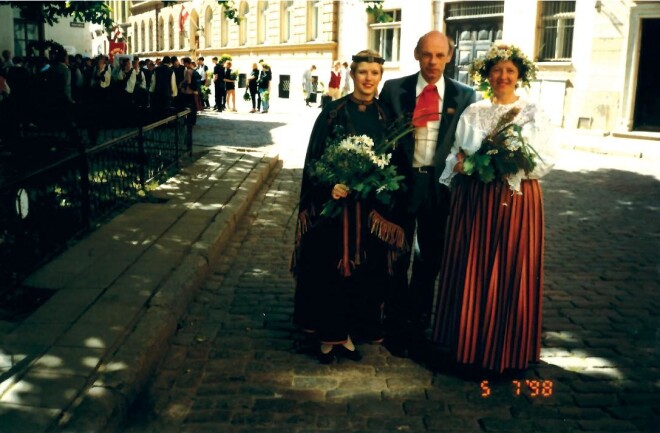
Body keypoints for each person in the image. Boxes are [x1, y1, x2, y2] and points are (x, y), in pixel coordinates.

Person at [432, 44, 556, 376]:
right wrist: (460, 164)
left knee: (511, 267)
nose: (503, 77)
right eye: (497, 70)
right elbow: (457, 152)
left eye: (510, 72)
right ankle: (468, 344)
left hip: (517, 199)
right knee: (472, 263)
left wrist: (509, 167)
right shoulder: (474, 111)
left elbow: (545, 159)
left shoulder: (533, 112)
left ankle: (507, 348)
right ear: (488, 74)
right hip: (475, 200)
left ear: (520, 77)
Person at [291, 49, 407, 364]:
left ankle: (351, 334)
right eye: (362, 72)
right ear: (352, 75)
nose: (368, 78)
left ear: (380, 78)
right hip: (335, 210)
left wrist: (380, 187)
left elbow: (395, 165)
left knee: (364, 273)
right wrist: (330, 185)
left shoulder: (387, 117)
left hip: (369, 213)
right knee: (331, 271)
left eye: (374, 73)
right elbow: (315, 160)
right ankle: (329, 337)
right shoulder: (332, 113)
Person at [378, 30, 476, 358]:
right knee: (395, 256)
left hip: (440, 189)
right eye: (426, 55)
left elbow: (470, 143)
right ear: (416, 54)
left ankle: (417, 325)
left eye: (439, 55)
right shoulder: (394, 90)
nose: (432, 62)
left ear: (449, 56)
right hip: (401, 185)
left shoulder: (465, 96)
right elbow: (380, 139)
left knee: (428, 260)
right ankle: (393, 323)